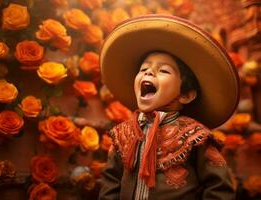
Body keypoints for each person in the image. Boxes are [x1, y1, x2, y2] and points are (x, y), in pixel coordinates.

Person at [98, 14, 239, 200]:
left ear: (186, 95)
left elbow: (220, 187)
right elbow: (110, 184)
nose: (148, 71)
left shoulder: (196, 137)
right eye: (143, 69)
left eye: (163, 70)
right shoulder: (123, 134)